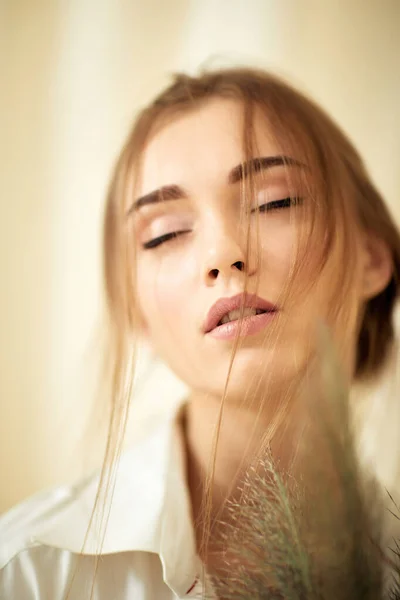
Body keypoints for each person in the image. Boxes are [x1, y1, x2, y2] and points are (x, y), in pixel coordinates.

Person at [1, 67, 399, 599]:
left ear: (372, 257)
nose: (222, 253)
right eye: (164, 234)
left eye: (275, 202)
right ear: (136, 309)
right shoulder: (30, 572)